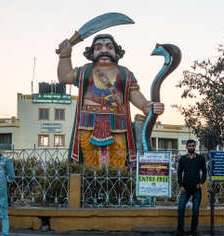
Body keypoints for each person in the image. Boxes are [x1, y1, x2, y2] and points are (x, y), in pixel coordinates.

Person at [57, 34, 164, 168]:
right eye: (98, 47)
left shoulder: (125, 73)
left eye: (109, 47)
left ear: (116, 51)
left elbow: (133, 93)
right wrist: (65, 56)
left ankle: (117, 185)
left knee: (118, 158)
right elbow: (64, 77)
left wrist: (145, 105)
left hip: (118, 123)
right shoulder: (85, 71)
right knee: (89, 160)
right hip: (88, 122)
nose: (104, 50)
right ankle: (91, 186)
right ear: (91, 52)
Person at [175, 139, 207, 236]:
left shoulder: (200, 158)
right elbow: (179, 173)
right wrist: (181, 185)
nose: (191, 147)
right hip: (185, 188)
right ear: (186, 147)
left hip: (196, 188)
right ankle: (180, 232)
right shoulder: (183, 159)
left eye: (193, 146)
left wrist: (201, 183)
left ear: (195, 146)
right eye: (189, 146)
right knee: (180, 208)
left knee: (196, 210)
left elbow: (205, 172)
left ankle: (194, 232)